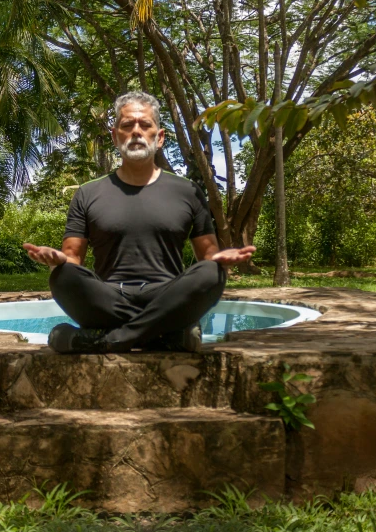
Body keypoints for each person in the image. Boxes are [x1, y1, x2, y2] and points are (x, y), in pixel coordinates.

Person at [24, 92, 255, 354]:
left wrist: (221, 258)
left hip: (168, 297)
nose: (136, 131)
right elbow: (73, 257)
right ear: (115, 136)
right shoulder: (88, 193)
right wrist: (59, 260)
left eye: (145, 125)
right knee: (62, 277)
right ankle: (164, 336)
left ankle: (111, 340)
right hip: (108, 299)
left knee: (212, 273)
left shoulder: (188, 191)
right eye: (127, 125)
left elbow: (208, 255)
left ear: (160, 137)